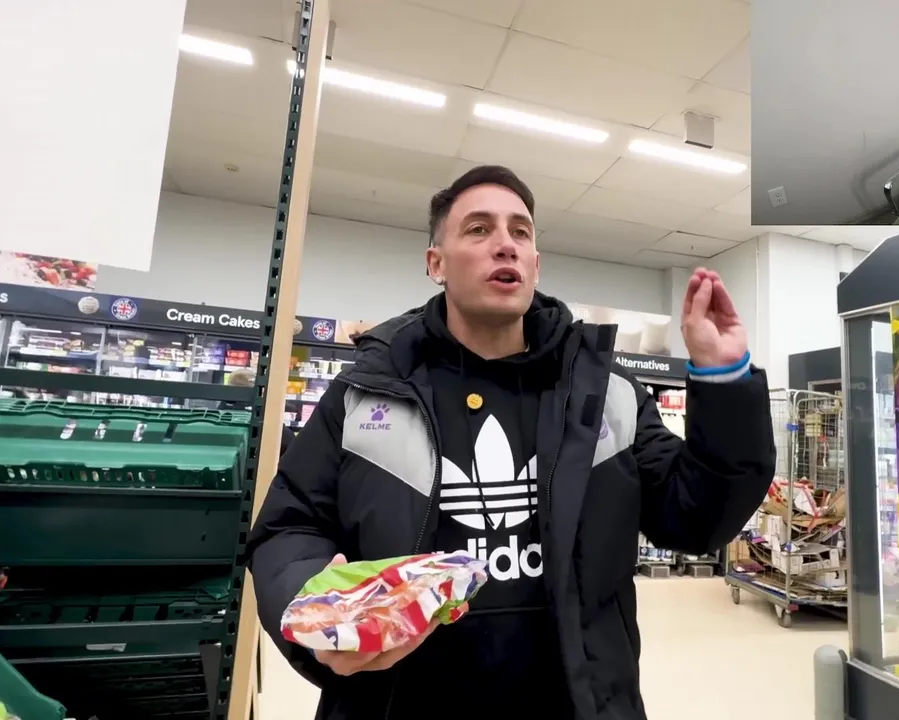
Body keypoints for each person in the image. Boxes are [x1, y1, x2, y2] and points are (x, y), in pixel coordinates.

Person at [247, 165, 776, 720]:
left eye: (520, 232)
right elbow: (288, 526)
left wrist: (724, 382)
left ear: (535, 264)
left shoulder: (606, 394)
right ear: (436, 263)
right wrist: (315, 608)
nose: (505, 244)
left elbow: (694, 519)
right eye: (479, 229)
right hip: (396, 701)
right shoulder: (368, 391)